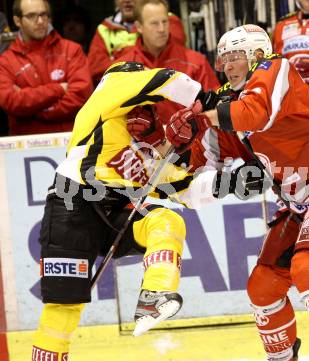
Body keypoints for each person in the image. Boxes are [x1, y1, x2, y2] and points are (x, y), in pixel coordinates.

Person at [165, 24, 309, 361]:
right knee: (262, 287)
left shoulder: (275, 67)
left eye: (236, 56)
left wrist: (203, 117)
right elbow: (193, 174)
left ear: (258, 55)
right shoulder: (226, 106)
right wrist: (173, 145)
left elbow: (256, 113)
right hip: (300, 202)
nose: (228, 65)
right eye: (224, 58)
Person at [31, 61, 206, 361]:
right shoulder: (106, 96)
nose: (146, 112)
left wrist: (252, 179)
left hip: (112, 213)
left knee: (166, 221)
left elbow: (190, 190)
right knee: (63, 308)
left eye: (150, 109)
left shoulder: (141, 153)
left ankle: (154, 295)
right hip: (72, 205)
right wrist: (207, 103)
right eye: (145, 104)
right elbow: (164, 80)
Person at [115, 0, 220, 124]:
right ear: (139, 26)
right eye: (154, 23)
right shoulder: (123, 68)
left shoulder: (195, 62)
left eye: (165, 22)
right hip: (138, 142)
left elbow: (216, 108)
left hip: (191, 140)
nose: (161, 29)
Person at [0, 0, 92, 136]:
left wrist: (31, 111)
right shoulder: (6, 61)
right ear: (17, 20)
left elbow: (80, 97)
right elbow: (10, 101)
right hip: (23, 147)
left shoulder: (72, 50)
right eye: (31, 16)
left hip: (70, 142)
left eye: (44, 15)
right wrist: (59, 89)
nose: (40, 21)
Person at [87, 0, 187, 85]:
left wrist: (118, 56)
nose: (127, 1)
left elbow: (169, 57)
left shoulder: (165, 19)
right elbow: (97, 72)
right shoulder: (104, 29)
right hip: (123, 90)